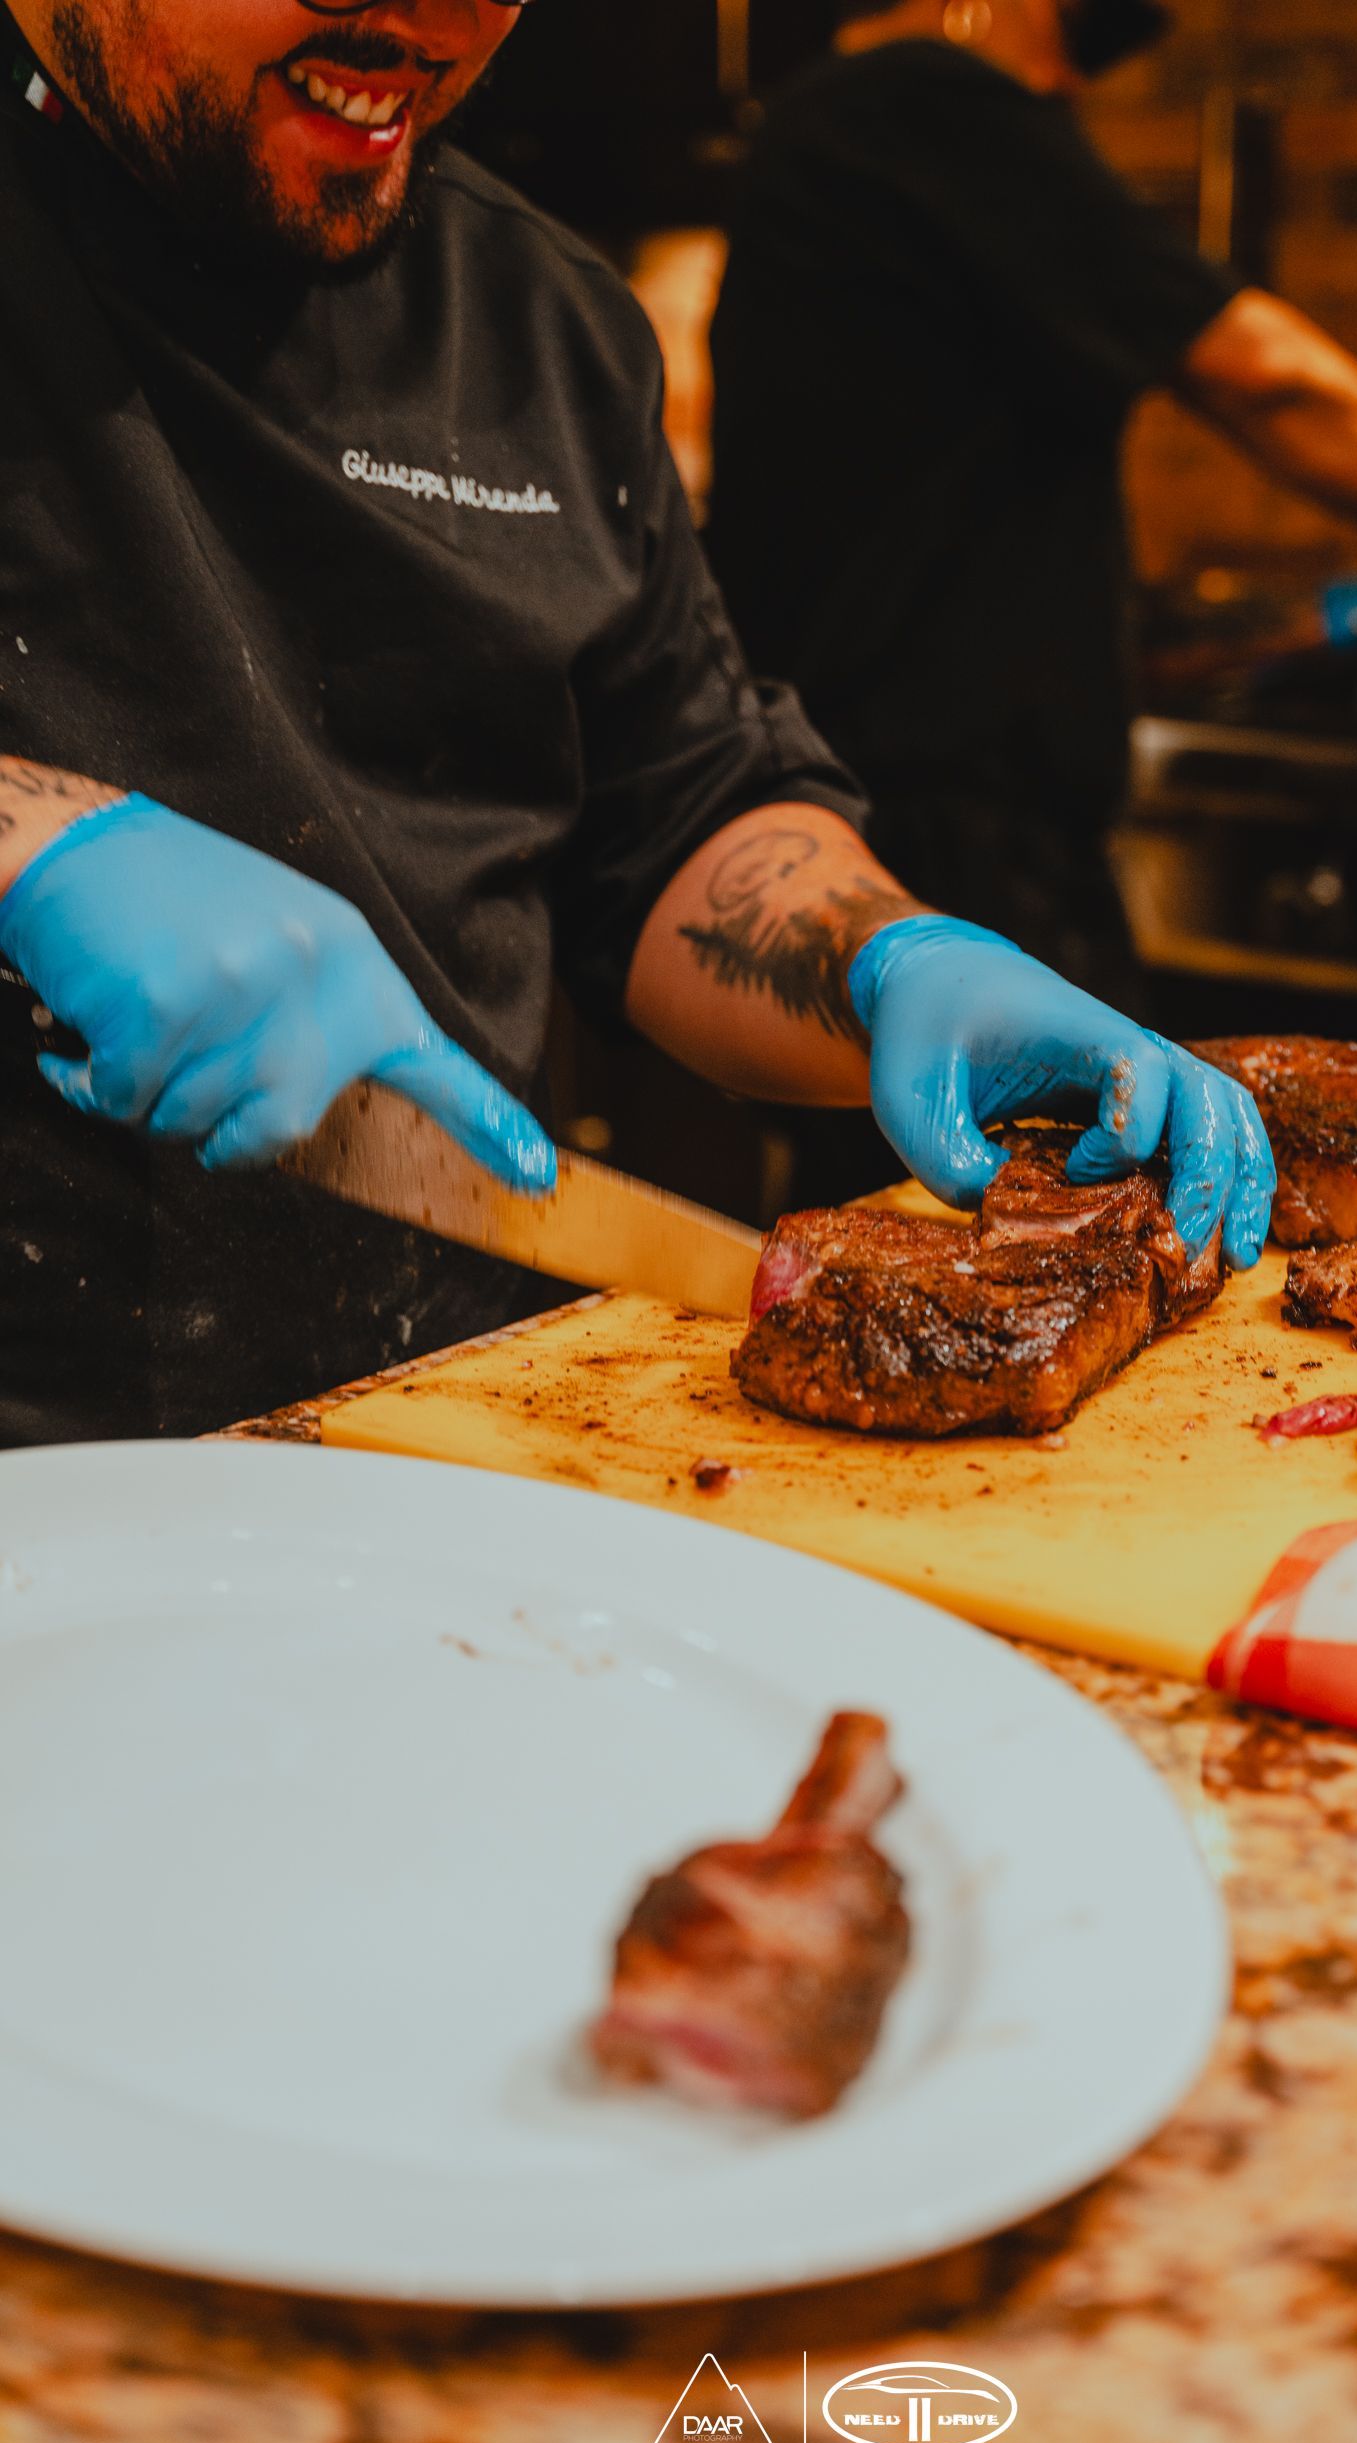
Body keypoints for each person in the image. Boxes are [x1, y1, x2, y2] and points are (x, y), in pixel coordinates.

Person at [0, 0, 1275, 1446]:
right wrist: (35, 840)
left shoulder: (544, 324)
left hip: (451, 1436)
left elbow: (673, 813)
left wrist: (880, 962)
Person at [706, 0, 1357, 992]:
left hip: (878, 797)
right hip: (933, 829)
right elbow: (1260, 373)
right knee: (1039, 1140)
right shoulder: (922, 106)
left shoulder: (844, 121)